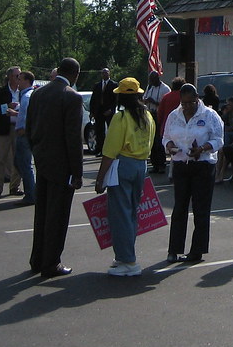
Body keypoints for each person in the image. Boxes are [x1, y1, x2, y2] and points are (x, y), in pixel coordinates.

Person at [27, 57, 85, 277]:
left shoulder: (38, 94)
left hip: (42, 160)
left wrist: (37, 152)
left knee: (41, 213)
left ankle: (37, 258)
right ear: (76, 75)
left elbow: (30, 127)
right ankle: (51, 262)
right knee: (57, 216)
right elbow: (73, 139)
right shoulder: (71, 97)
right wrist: (77, 173)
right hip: (62, 165)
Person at [94, 77, 156, 276]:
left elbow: (110, 151)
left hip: (123, 165)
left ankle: (128, 261)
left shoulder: (120, 118)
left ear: (121, 96)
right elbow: (151, 143)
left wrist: (100, 178)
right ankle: (124, 255)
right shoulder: (147, 115)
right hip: (140, 165)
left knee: (119, 214)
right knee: (130, 213)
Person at [162, 84, 224, 264]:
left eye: (190, 102)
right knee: (179, 208)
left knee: (200, 209)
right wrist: (169, 146)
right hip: (181, 164)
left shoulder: (209, 115)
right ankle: (174, 250)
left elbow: (219, 139)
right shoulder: (174, 115)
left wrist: (203, 148)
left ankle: (197, 251)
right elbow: (166, 136)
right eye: (184, 103)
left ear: (197, 98)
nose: (187, 106)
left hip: (202, 165)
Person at [0, 66, 23, 199]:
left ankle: (14, 187)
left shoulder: (23, 92)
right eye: (16, 76)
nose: (18, 79)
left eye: (20, 76)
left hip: (18, 128)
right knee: (1, 159)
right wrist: (7, 107)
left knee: (18, 158)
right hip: (4, 128)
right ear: (10, 77)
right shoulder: (1, 91)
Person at [12, 70, 37, 205]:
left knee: (24, 164)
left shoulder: (27, 96)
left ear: (27, 81)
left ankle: (31, 195)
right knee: (19, 163)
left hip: (24, 135)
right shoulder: (26, 96)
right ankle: (32, 190)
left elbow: (29, 116)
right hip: (24, 134)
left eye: (20, 79)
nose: (18, 82)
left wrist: (24, 130)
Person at [142, 71, 170, 174]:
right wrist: (145, 101)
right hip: (150, 115)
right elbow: (144, 98)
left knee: (159, 141)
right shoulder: (150, 87)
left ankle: (162, 164)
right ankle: (154, 164)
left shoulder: (165, 89)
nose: (150, 82)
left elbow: (164, 105)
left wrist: (153, 101)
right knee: (152, 141)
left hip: (159, 116)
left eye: (152, 80)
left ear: (157, 78)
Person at [215, 97, 233, 183]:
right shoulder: (230, 113)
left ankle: (221, 173)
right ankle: (217, 173)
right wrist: (225, 113)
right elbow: (220, 121)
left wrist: (224, 129)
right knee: (221, 151)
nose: (227, 106)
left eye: (229, 104)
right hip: (230, 135)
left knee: (226, 137)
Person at [90, 68, 116, 156]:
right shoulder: (97, 85)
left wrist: (111, 109)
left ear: (109, 74)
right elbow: (93, 99)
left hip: (109, 111)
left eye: (106, 73)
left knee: (111, 131)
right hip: (99, 112)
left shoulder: (113, 85)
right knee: (99, 132)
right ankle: (100, 150)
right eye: (103, 73)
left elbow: (116, 100)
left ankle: (111, 150)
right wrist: (92, 112)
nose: (104, 74)